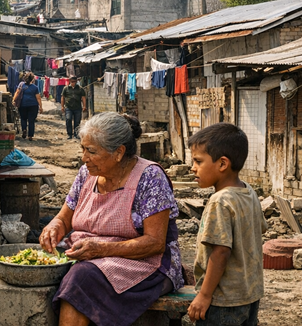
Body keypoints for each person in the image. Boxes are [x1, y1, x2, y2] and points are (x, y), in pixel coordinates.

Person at [40, 112, 182, 326]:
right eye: (83, 149)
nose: (83, 157)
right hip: (92, 254)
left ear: (119, 152)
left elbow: (155, 243)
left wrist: (101, 249)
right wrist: (55, 226)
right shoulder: (86, 173)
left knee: (81, 278)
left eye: (91, 151)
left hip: (146, 263)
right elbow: (64, 217)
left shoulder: (150, 177)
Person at [187, 123, 267, 326]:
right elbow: (259, 230)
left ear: (222, 164)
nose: (192, 168)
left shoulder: (220, 201)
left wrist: (204, 295)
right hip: (249, 294)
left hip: (222, 300)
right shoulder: (249, 192)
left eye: (198, 161)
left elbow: (221, 252)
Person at [17, 72, 42, 141]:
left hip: (23, 105)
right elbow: (38, 98)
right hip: (33, 105)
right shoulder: (35, 87)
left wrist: (14, 101)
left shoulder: (21, 85)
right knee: (31, 121)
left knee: (23, 119)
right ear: (32, 79)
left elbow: (17, 93)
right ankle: (30, 136)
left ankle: (24, 129)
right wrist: (41, 107)